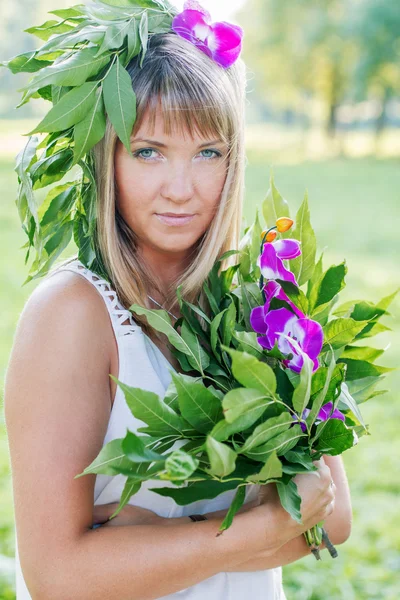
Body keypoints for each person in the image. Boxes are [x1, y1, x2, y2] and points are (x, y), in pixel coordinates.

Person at [4, 4, 352, 599]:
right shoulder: (73, 315)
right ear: (105, 157)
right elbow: (58, 576)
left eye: (208, 153)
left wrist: (152, 534)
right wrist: (259, 527)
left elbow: (333, 521)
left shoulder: (256, 300)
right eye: (148, 152)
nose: (180, 188)